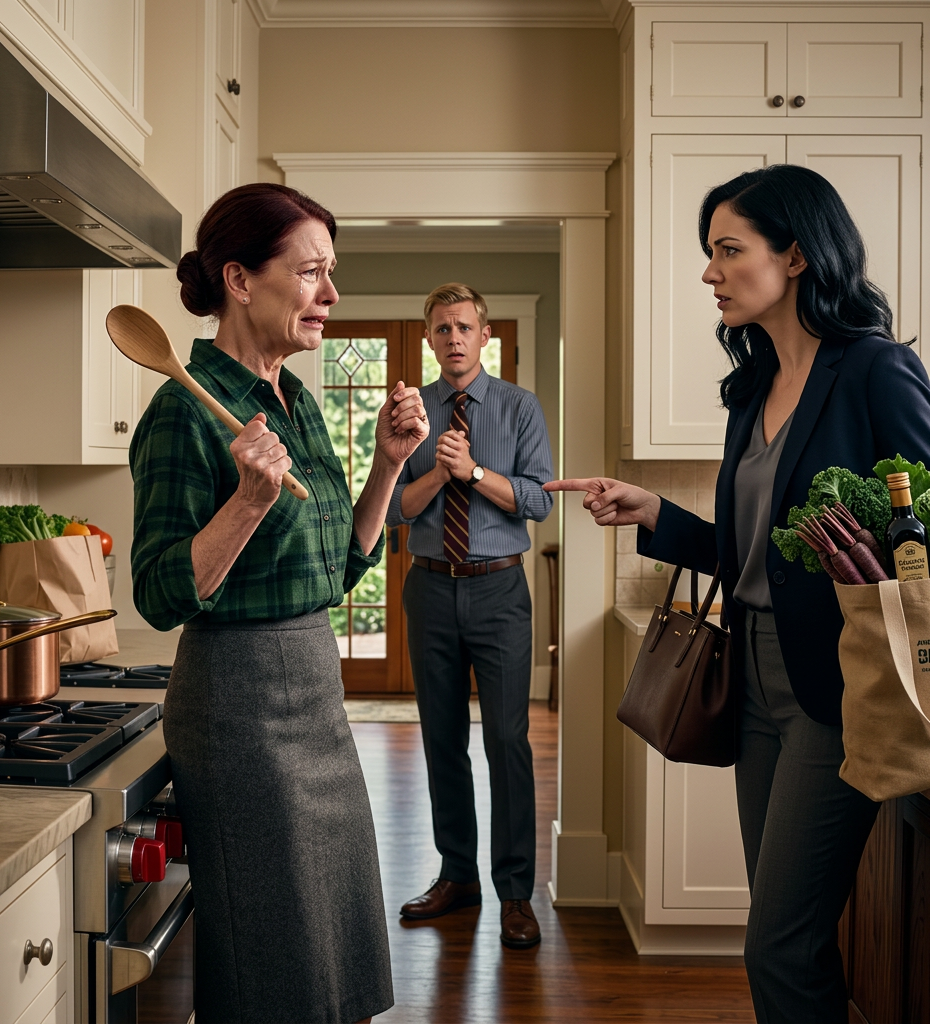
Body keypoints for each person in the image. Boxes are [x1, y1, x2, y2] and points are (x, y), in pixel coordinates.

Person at [546, 164, 930, 1023]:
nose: (710, 272)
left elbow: (926, 521)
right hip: (752, 670)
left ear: (796, 255)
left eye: (729, 250)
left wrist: (880, 559)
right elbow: (751, 551)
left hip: (842, 683)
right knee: (785, 930)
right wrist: (654, 513)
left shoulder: (873, 371)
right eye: (708, 252)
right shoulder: (752, 387)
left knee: (776, 944)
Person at [130, 183, 430, 1024]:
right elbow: (157, 593)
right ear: (239, 278)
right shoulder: (183, 413)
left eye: (332, 274)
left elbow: (336, 573)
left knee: (337, 954)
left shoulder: (295, 404)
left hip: (316, 700)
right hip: (240, 714)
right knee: (278, 969)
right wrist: (246, 503)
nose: (331, 296)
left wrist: (390, 465)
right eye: (312, 273)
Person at [386, 283, 554, 949]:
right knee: (441, 738)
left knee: (507, 744)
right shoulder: (412, 411)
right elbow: (396, 506)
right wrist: (438, 472)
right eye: (441, 328)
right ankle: (458, 876)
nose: (453, 338)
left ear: (484, 335)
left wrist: (474, 469)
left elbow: (538, 500)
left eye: (464, 326)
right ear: (429, 339)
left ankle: (516, 892)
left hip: (499, 592)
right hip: (428, 590)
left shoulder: (519, 408)